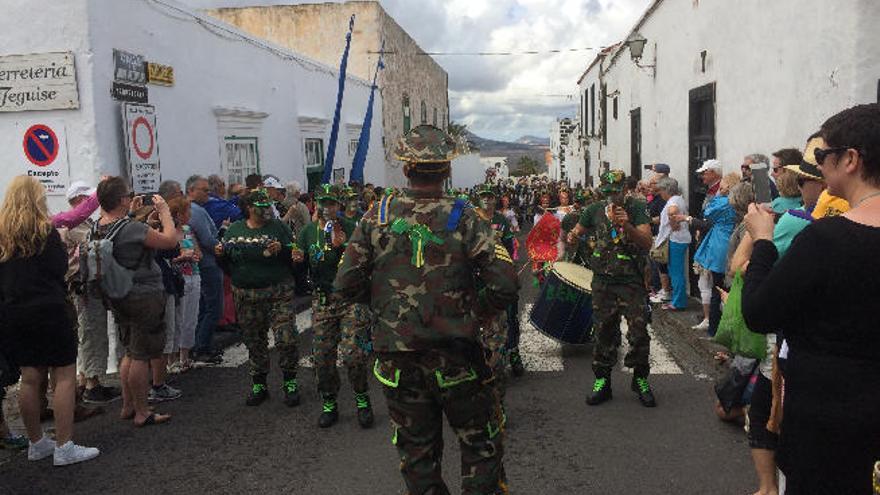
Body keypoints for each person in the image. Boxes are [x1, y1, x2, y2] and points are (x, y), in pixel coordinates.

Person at [333, 125, 518, 494]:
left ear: (405, 169)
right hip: (456, 356)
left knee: (417, 454)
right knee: (480, 446)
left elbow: (344, 285)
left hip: (397, 358)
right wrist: (473, 314)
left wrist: (390, 312)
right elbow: (505, 284)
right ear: (447, 170)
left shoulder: (376, 216)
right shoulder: (466, 216)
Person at [742, 104, 880, 494]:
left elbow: (759, 312)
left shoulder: (826, 239)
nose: (816, 167)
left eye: (822, 156)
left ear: (850, 159)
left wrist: (763, 241)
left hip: (828, 426)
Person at [0, 176, 101, 465]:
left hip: (14, 313)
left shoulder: (2, 236)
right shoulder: (47, 232)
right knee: (64, 376)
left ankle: (36, 443)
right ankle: (64, 445)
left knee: (30, 379)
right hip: (50, 309)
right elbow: (59, 270)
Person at [567, 170, 656, 407]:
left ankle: (640, 379)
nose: (611, 197)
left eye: (615, 192)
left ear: (625, 189)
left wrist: (627, 225)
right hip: (603, 282)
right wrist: (572, 237)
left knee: (638, 332)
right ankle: (602, 382)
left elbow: (647, 242)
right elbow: (577, 232)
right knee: (604, 332)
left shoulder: (636, 208)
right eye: (606, 192)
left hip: (631, 282)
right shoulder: (593, 210)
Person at [95, 177, 179, 427]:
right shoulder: (130, 228)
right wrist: (164, 213)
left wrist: (136, 216)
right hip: (142, 294)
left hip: (117, 295)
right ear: (122, 200)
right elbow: (170, 241)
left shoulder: (98, 225)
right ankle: (143, 411)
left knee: (129, 351)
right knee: (142, 354)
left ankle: (128, 404)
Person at [292, 184, 372, 428]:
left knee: (353, 354)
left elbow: (365, 266)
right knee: (322, 356)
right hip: (323, 301)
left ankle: (362, 399)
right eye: (323, 203)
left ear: (339, 206)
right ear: (316, 204)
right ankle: (329, 403)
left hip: (349, 300)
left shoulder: (352, 229)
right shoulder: (307, 232)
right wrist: (297, 261)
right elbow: (300, 269)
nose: (327, 208)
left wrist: (343, 250)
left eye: (332, 203)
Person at [217, 189, 300, 407]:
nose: (266, 211)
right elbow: (227, 262)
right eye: (260, 207)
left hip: (277, 292)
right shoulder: (234, 230)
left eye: (267, 206)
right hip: (246, 294)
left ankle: (290, 382)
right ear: (249, 208)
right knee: (254, 340)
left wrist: (282, 250)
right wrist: (221, 256)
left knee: (286, 338)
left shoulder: (278, 227)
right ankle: (259, 384)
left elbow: (295, 254)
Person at [686, 173, 739, 336]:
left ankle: (714, 329)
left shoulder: (723, 202)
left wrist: (718, 195)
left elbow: (707, 212)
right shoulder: (736, 203)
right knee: (726, 288)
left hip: (719, 244)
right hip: (730, 240)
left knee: (717, 289)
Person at [185, 176, 223, 364]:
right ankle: (202, 347)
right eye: (204, 190)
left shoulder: (192, 210)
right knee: (213, 307)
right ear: (191, 191)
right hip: (207, 264)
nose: (208, 193)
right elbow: (208, 240)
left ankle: (198, 345)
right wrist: (223, 247)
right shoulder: (196, 211)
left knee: (202, 307)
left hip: (199, 264)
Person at [168, 198, 200, 373]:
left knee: (191, 318)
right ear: (178, 214)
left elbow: (198, 252)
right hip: (178, 279)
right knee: (176, 319)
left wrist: (193, 255)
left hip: (194, 275)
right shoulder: (168, 233)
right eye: (187, 211)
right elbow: (165, 258)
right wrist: (183, 257)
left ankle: (185, 357)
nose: (190, 215)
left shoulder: (188, 230)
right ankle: (171, 360)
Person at [653, 178, 690, 310]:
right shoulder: (678, 199)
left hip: (676, 240)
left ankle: (678, 302)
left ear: (666, 190)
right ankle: (677, 299)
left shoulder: (673, 201)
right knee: (676, 271)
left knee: (676, 272)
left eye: (661, 190)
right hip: (680, 239)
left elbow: (672, 212)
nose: (660, 193)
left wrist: (673, 224)